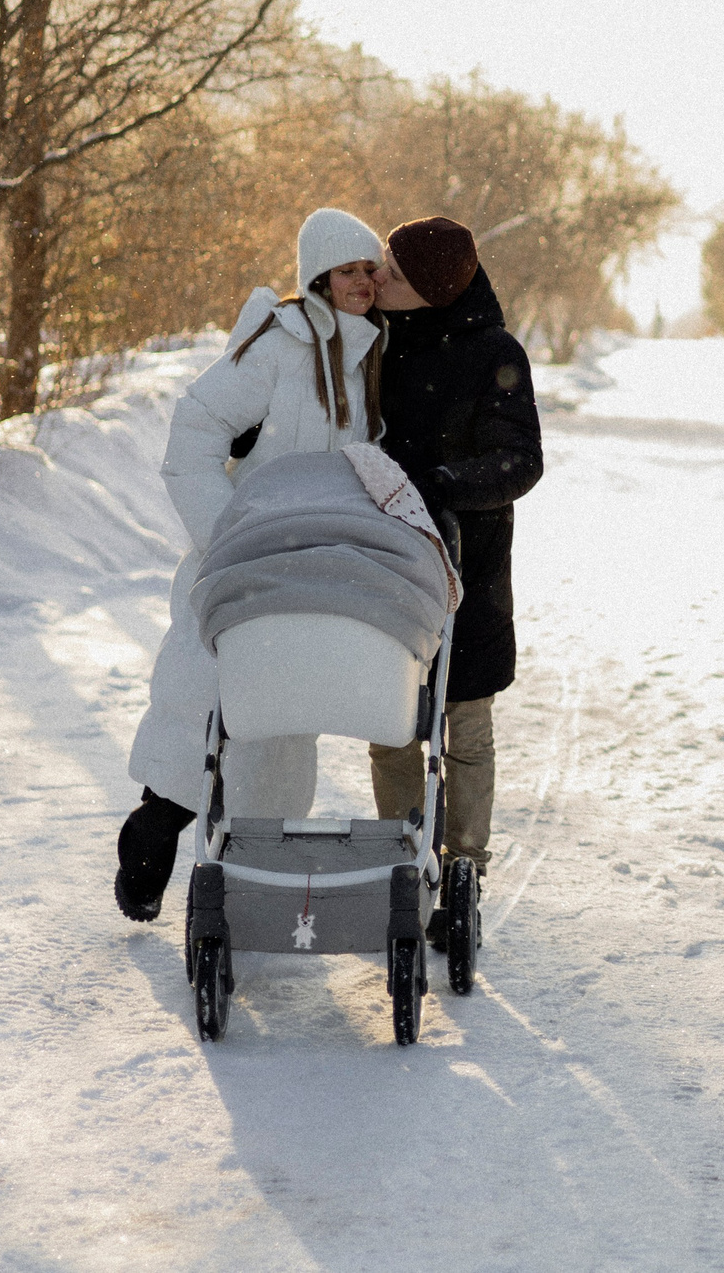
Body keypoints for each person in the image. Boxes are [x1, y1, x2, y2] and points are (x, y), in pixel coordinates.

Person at [113, 207, 390, 921]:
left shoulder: (367, 357)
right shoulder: (277, 344)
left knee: (277, 721)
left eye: (372, 269)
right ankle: (149, 843)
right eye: (352, 269)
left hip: (309, 572)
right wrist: (224, 534)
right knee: (198, 706)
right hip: (238, 561)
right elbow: (193, 437)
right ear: (320, 274)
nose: (366, 281)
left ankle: (253, 874)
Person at [367, 216, 543, 940]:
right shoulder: (369, 344)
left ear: (435, 293)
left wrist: (445, 482)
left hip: (469, 566)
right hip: (386, 565)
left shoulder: (495, 353)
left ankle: (464, 865)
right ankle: (402, 856)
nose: (378, 280)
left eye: (395, 275)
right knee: (389, 726)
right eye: (381, 265)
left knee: (465, 723)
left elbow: (521, 460)